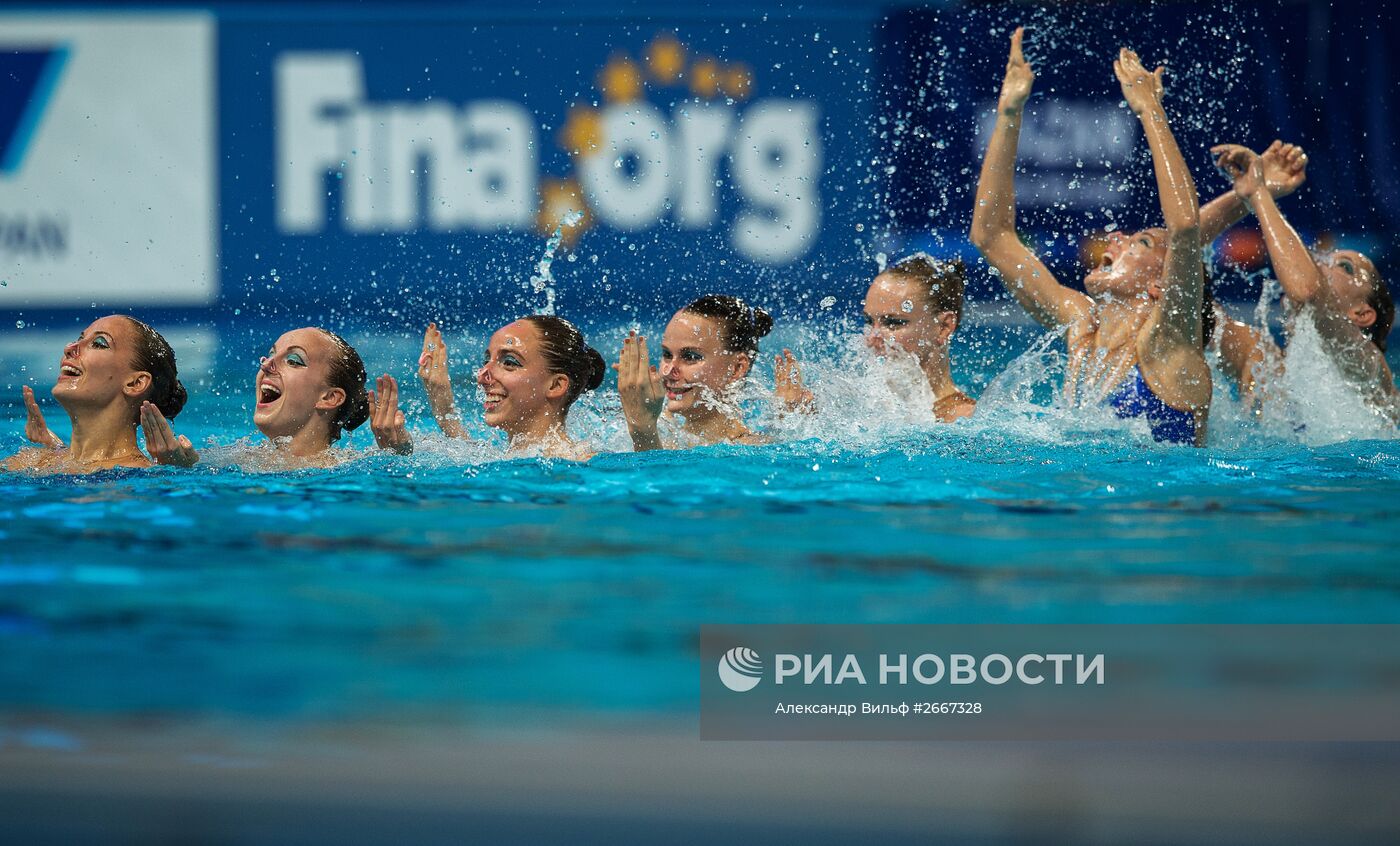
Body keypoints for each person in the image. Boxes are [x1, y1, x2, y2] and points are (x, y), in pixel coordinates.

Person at [970, 29, 1211, 445]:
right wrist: (1009, 112)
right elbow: (992, 238)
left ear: (1161, 284)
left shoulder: (1168, 344)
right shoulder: (1082, 330)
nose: (1116, 235)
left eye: (1141, 242)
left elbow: (1186, 229)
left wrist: (1151, 111)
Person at [1212, 143, 1398, 419]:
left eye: (1345, 267)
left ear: (1362, 314)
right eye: (1323, 257)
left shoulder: (1370, 370)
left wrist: (1259, 194)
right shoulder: (1259, 360)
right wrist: (1245, 196)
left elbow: (1308, 292)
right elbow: (1178, 263)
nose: (1321, 263)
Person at [139, 327, 378, 468]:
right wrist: (178, 469)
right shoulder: (233, 461)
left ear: (330, 397)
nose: (266, 364)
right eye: (270, 354)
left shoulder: (349, 472)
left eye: (294, 361)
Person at [775, 254, 976, 422]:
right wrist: (796, 417)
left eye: (894, 323)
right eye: (870, 322)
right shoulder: (857, 405)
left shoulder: (964, 419)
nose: (873, 337)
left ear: (944, 327)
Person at [5, 315, 187, 473]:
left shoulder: (140, 476)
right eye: (79, 338)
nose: (69, 347)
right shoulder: (32, 460)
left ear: (135, 383)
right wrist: (58, 451)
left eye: (99, 343)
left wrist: (175, 471)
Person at [412, 316, 605, 460]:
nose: (482, 375)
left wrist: (637, 432)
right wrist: (443, 410)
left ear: (555, 385)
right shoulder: (506, 457)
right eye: (487, 360)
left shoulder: (583, 463)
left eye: (509, 362)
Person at [616, 295, 772, 450]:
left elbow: (657, 475)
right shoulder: (662, 431)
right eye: (667, 355)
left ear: (737, 368)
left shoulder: (748, 452)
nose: (668, 370)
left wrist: (642, 431)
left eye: (691, 357)